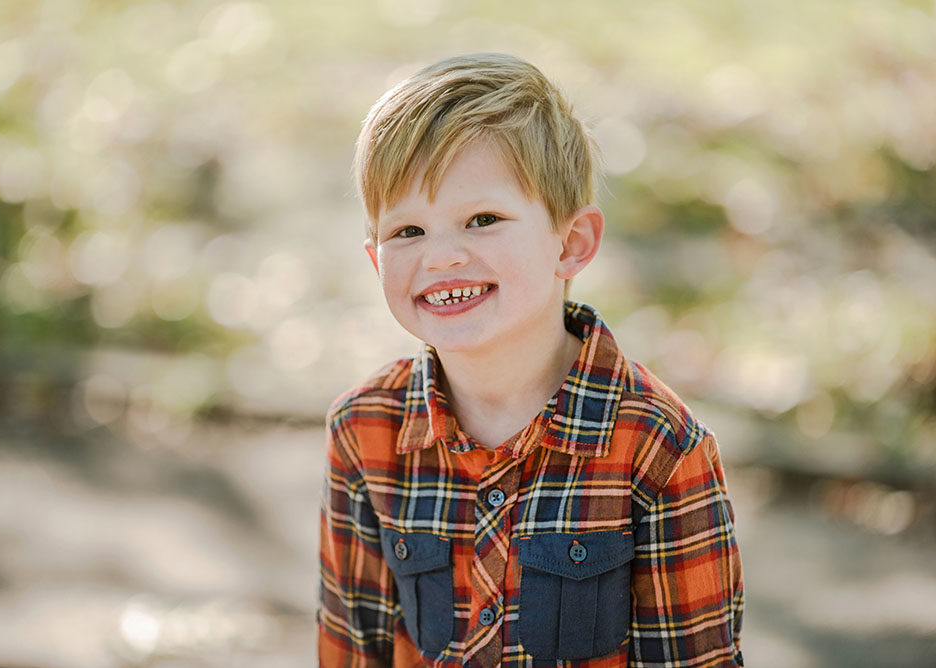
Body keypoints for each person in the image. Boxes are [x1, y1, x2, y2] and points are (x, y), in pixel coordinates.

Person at [317, 53, 743, 667]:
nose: (440, 257)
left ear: (570, 244)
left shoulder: (658, 448)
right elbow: (353, 652)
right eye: (407, 230)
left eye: (482, 220)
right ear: (375, 257)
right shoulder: (363, 432)